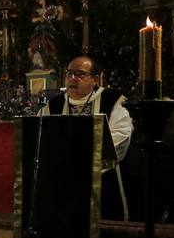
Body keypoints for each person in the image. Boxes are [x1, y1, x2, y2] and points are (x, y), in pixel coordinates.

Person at [40, 55, 134, 220]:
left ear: (95, 79)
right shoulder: (52, 106)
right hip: (62, 185)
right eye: (69, 73)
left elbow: (119, 138)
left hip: (101, 182)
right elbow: (41, 140)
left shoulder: (112, 101)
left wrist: (81, 163)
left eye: (80, 74)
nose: (73, 78)